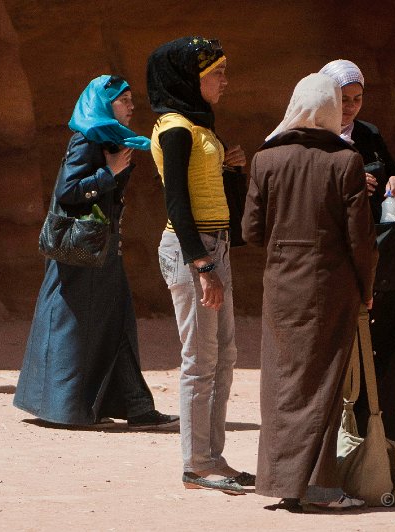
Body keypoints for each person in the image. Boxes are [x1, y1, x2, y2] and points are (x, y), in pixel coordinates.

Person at [243, 73, 378, 511]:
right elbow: (361, 239)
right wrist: (366, 288)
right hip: (329, 285)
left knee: (281, 382)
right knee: (322, 383)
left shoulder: (266, 159)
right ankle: (319, 487)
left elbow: (251, 231)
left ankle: (280, 480)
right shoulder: (345, 162)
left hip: (281, 286)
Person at [13, 75, 179, 431]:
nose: (132, 106)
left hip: (101, 250)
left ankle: (135, 406)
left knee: (115, 322)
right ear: (103, 105)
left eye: (132, 99)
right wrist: (109, 173)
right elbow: (67, 191)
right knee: (74, 325)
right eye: (124, 100)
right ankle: (64, 407)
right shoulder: (87, 140)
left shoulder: (111, 138)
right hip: (82, 255)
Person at [147, 36, 253, 495]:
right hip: (196, 252)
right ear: (191, 79)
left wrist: (233, 169)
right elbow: (176, 200)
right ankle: (196, 463)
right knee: (199, 361)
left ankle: (213, 457)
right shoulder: (175, 129)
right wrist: (202, 264)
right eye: (217, 73)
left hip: (215, 246)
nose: (225, 81)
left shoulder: (200, 126)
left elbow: (218, 195)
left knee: (223, 356)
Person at [320, 59, 395, 469]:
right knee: (344, 353)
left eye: (357, 99)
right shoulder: (315, 137)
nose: (349, 107)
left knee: (390, 346)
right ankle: (343, 444)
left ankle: (391, 440)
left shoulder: (369, 136)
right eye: (341, 99)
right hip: (339, 260)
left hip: (381, 256)